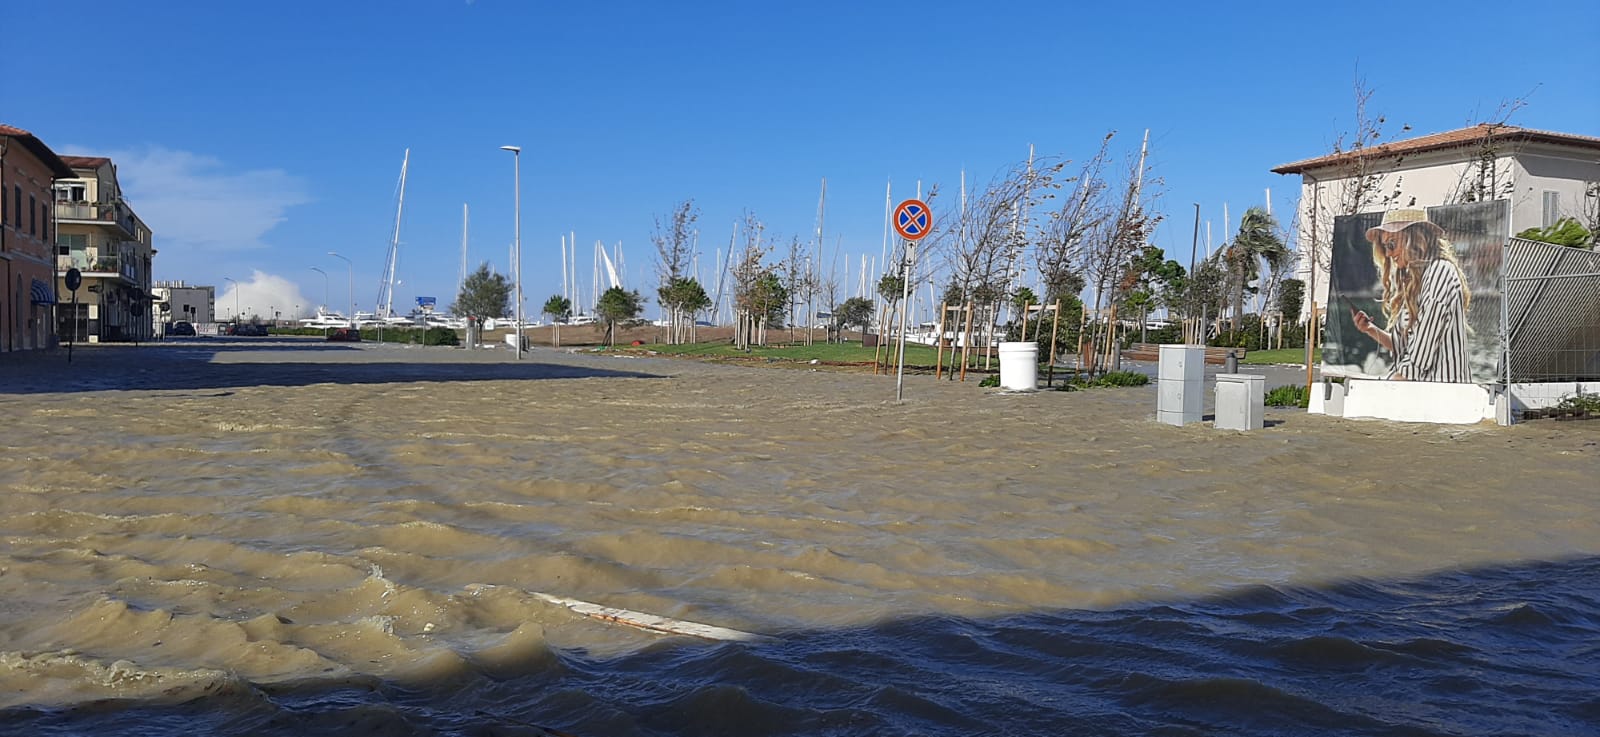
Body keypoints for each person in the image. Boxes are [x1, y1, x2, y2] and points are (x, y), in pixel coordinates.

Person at [1349, 208, 1473, 382]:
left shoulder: (1440, 272)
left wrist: (1385, 389)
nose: (1388, 253)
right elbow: (1405, 347)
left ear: (1414, 239)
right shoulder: (1415, 281)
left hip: (1444, 395)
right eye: (1385, 247)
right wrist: (1370, 329)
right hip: (1424, 393)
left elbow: (1419, 359)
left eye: (1391, 244)